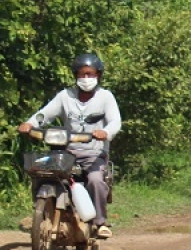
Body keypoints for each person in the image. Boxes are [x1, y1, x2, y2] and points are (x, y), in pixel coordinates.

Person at [18, 52, 122, 238]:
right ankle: (44, 209)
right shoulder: (66, 96)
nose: (86, 78)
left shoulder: (105, 97)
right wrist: (30, 123)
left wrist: (105, 132)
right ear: (76, 75)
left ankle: (100, 223)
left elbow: (115, 121)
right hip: (67, 152)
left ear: (98, 75)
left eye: (90, 74)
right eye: (82, 74)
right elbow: (45, 114)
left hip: (94, 153)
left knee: (96, 180)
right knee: (42, 172)